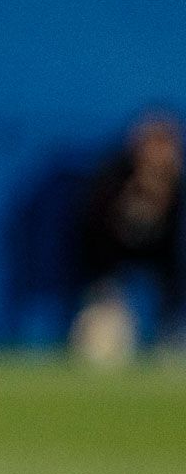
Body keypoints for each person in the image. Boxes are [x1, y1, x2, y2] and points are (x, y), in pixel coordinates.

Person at [70, 108, 183, 363]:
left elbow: (172, 252)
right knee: (105, 346)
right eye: (153, 143)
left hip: (158, 260)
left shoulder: (176, 184)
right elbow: (94, 237)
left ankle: (170, 335)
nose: (160, 152)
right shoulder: (112, 176)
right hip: (108, 260)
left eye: (167, 143)